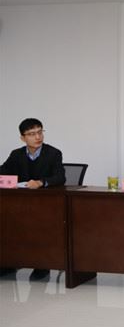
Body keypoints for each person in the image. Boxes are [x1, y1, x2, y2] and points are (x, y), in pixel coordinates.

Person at [0, 118, 66, 280]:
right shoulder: (16, 154)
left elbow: (60, 177)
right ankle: (9, 263)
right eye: (31, 134)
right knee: (7, 222)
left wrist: (40, 182)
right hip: (20, 204)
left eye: (40, 132)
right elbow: (3, 171)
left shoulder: (53, 153)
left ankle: (41, 265)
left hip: (46, 204)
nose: (37, 137)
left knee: (38, 223)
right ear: (23, 138)